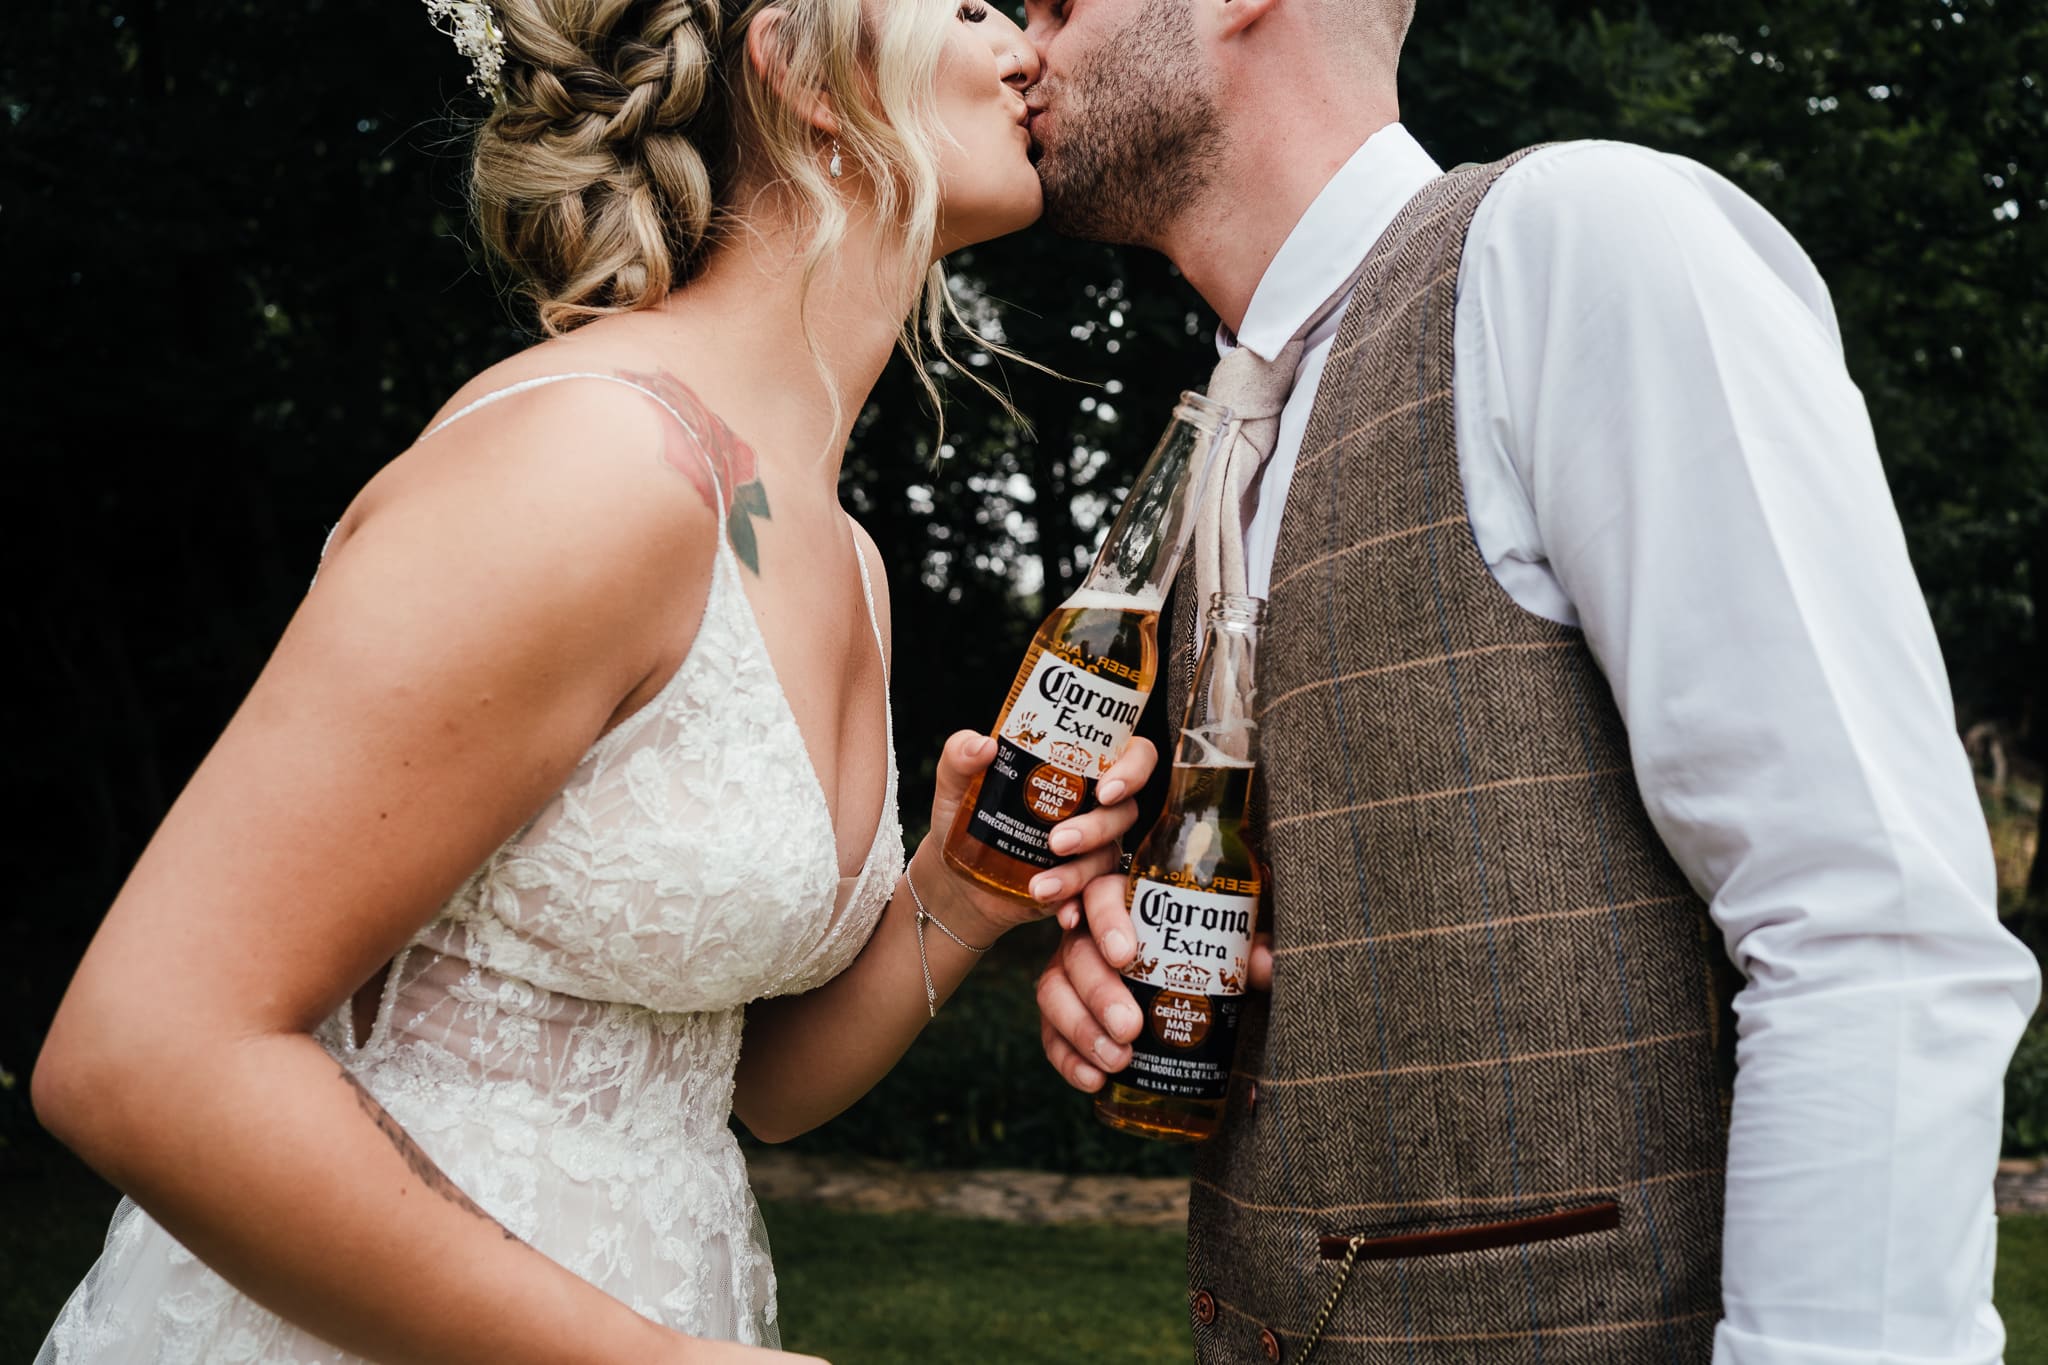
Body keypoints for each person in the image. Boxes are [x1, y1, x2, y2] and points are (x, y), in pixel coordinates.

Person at [30, 2, 1155, 1362]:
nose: (1025, 41)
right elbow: (141, 1057)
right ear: (798, 64)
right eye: (967, 5)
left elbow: (755, 1089)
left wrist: (959, 889)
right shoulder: (590, 465)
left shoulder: (838, 550)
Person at [1024, 0, 2042, 1361]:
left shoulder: (1572, 244)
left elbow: (1870, 918)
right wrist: (1152, 961)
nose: (1019, 41)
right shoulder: (1220, 437)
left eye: (1055, 4)